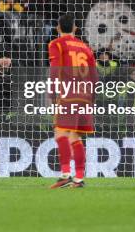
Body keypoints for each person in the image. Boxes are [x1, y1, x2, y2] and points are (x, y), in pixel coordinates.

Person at [48, 14, 98, 189]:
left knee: (60, 134)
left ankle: (65, 174)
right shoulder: (86, 47)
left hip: (68, 94)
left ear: (58, 28)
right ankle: (78, 178)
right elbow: (94, 76)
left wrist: (52, 94)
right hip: (85, 95)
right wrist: (91, 99)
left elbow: (55, 70)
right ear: (75, 28)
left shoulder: (56, 44)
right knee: (74, 136)